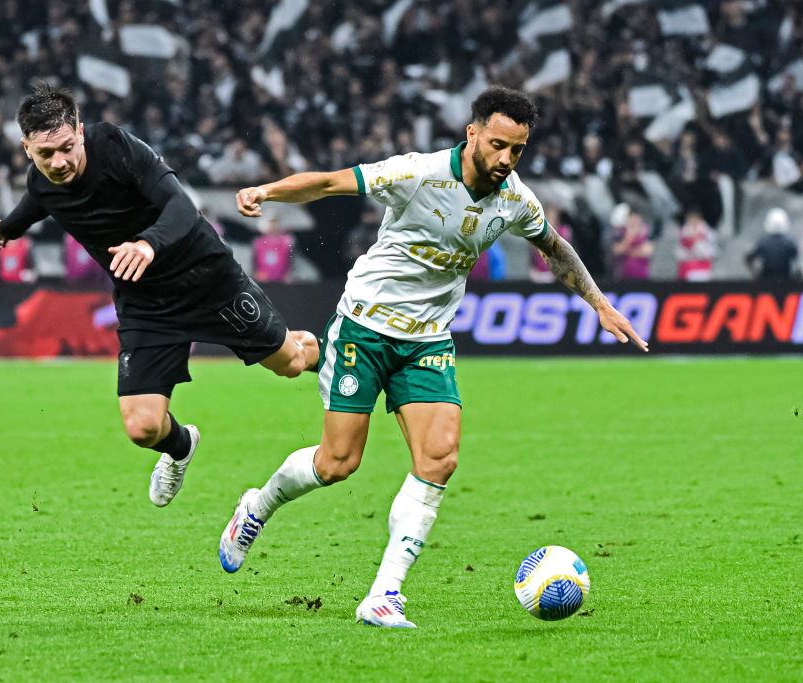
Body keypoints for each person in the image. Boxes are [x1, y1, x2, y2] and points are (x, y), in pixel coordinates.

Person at [218, 86, 648, 628]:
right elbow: (329, 183)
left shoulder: (516, 199)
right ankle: (257, 507)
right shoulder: (417, 172)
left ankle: (384, 594)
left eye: (517, 149)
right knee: (337, 463)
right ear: (472, 134)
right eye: (497, 145)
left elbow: (554, 247)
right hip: (364, 328)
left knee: (439, 458)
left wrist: (600, 304)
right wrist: (267, 190)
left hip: (427, 342)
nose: (506, 159)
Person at [0, 84, 318, 506]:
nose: (59, 162)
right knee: (142, 428)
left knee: (291, 363)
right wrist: (4, 229)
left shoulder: (116, 147)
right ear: (27, 149)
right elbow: (35, 203)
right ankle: (181, 447)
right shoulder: (43, 182)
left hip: (207, 279)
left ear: (80, 131)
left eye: (66, 147)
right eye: (46, 154)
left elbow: (182, 207)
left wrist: (148, 244)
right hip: (147, 302)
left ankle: (333, 353)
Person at [745, 208, 798, 280]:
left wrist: (756, 274)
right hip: (785, 281)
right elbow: (796, 263)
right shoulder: (790, 243)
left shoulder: (763, 242)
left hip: (766, 281)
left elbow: (748, 257)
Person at [675, 208, 717, 281]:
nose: (692, 223)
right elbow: (680, 253)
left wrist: (697, 242)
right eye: (690, 220)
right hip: (687, 267)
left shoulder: (707, 232)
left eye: (694, 220)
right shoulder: (684, 232)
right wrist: (689, 243)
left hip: (703, 266)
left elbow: (710, 251)